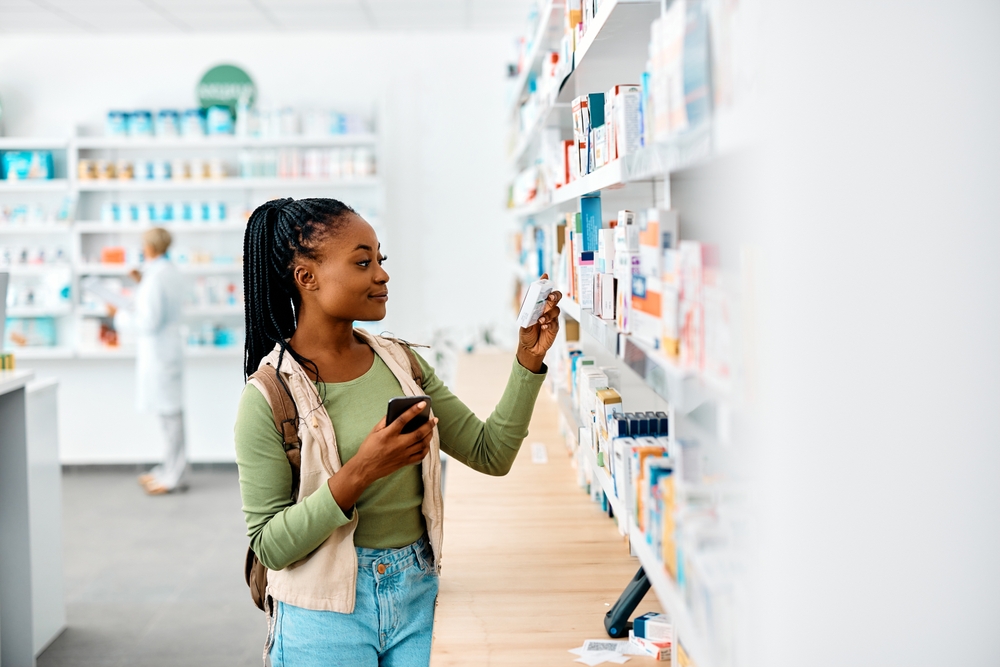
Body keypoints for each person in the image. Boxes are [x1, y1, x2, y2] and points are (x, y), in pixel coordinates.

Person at [234, 198, 561, 667]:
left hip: (416, 594)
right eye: (362, 262)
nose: (381, 275)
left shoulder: (402, 364)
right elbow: (269, 544)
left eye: (380, 261)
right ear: (307, 278)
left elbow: (492, 453)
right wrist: (363, 470)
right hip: (323, 614)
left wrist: (529, 358)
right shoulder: (268, 397)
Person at [113, 227, 188, 495]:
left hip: (160, 352)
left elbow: (148, 321)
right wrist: (140, 282)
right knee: (167, 414)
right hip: (164, 351)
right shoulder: (163, 272)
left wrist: (119, 313)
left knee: (170, 415)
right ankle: (169, 468)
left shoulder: (157, 277)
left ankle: (174, 475)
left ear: (150, 247)